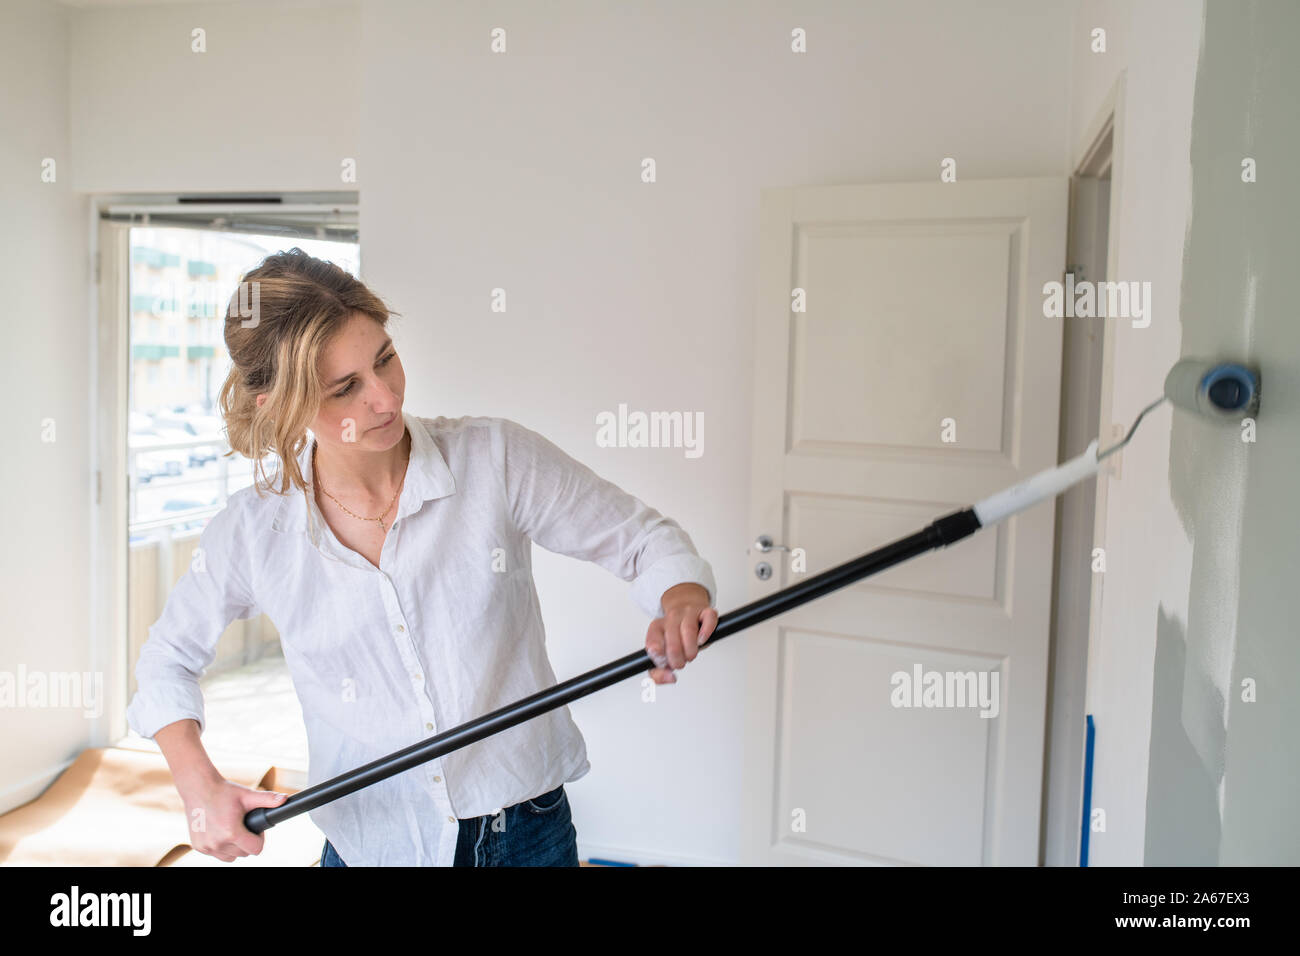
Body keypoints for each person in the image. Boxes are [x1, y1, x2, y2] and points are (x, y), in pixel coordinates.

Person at [126, 248, 718, 866]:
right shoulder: (253, 532)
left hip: (526, 833)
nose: (384, 399)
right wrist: (200, 786)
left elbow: (644, 541)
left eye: (385, 359)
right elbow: (166, 660)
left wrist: (679, 595)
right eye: (345, 388)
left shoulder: (496, 459)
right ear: (281, 405)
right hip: (368, 843)